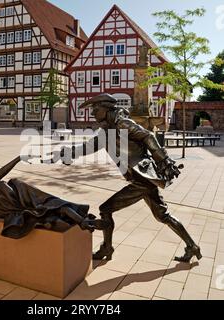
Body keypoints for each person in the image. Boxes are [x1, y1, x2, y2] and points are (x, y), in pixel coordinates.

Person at [53, 94, 202, 263]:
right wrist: (68, 152)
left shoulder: (122, 123)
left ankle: (107, 248)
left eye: (95, 109)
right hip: (143, 179)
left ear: (105, 108)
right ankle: (192, 246)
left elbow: (148, 136)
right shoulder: (105, 131)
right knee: (162, 215)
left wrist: (164, 160)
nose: (93, 112)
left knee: (106, 209)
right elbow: (89, 147)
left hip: (142, 178)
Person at [0, 155, 106, 239]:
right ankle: (68, 213)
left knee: (23, 188)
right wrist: (18, 159)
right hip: (0, 201)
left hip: (3, 194)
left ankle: (74, 216)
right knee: (25, 192)